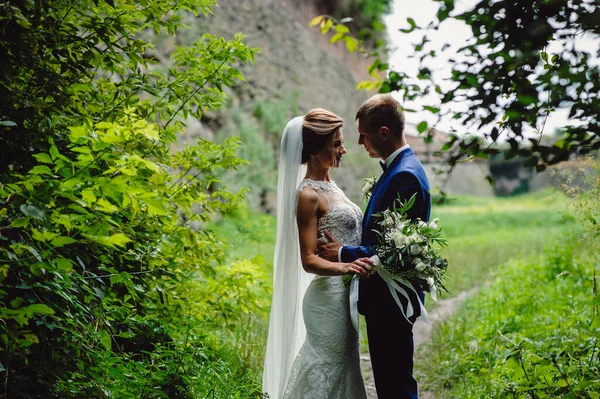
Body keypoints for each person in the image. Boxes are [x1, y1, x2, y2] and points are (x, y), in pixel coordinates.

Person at [319, 94, 431, 399]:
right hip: (385, 298)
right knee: (390, 381)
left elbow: (391, 250)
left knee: (395, 385)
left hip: (390, 300)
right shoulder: (398, 169)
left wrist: (343, 253)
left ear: (383, 133)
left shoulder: (404, 176)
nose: (358, 143)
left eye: (363, 136)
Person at [263, 109, 374, 399]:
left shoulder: (332, 186)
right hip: (327, 301)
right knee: (327, 369)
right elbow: (308, 259)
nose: (344, 150)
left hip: (346, 298)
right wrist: (347, 267)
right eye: (336, 144)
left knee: (345, 370)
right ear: (314, 150)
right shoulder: (307, 195)